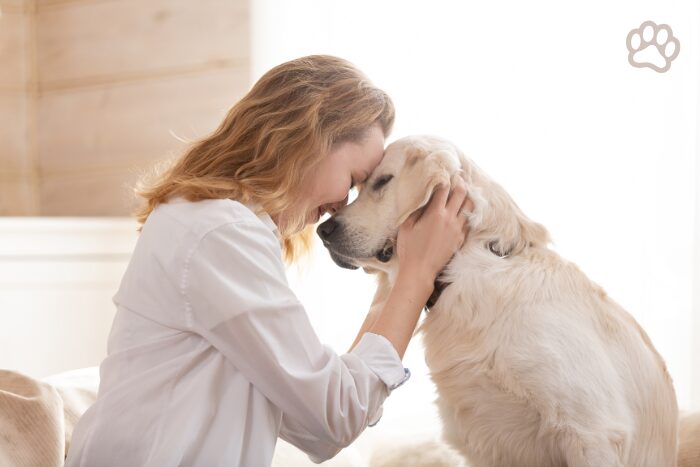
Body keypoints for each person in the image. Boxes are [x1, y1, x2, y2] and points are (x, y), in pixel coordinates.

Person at [65, 55, 469, 467]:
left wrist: (399, 274)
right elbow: (335, 416)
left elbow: (314, 420)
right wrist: (416, 277)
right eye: (352, 180)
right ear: (309, 139)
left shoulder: (213, 223)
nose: (341, 206)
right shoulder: (219, 232)